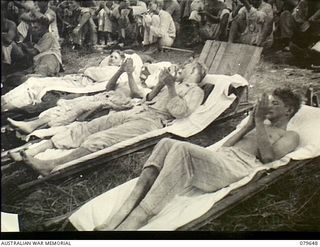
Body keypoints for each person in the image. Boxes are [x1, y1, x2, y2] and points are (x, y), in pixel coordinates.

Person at [92, 87, 302, 230]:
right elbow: (227, 146)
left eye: (275, 103)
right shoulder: (259, 126)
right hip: (221, 159)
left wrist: (257, 120)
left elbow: (268, 157)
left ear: (289, 110)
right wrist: (248, 126)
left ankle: (133, 223)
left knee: (182, 149)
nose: (269, 106)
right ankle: (120, 214)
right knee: (166, 142)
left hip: (237, 168)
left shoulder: (290, 136)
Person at [17, 59, 207, 175]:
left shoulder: (195, 91)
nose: (182, 68)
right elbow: (149, 98)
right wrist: (161, 84)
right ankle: (41, 148)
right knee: (92, 126)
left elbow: (180, 112)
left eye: (187, 67)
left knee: (103, 138)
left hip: (152, 122)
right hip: (139, 110)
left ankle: (52, 165)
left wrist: (171, 87)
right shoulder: (172, 83)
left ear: (194, 72)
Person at [7, 58, 141, 134]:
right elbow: (108, 87)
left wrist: (129, 74)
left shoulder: (138, 84)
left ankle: (31, 125)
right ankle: (30, 124)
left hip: (115, 102)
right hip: (105, 96)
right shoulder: (122, 78)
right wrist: (121, 70)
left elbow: (135, 93)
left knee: (78, 107)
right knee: (65, 105)